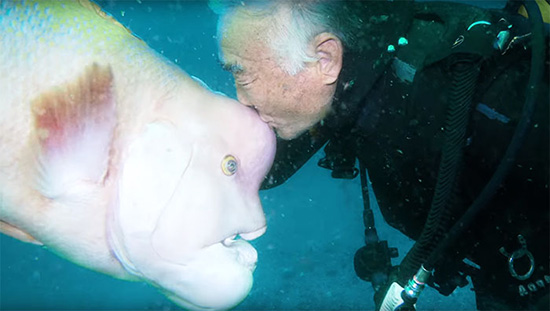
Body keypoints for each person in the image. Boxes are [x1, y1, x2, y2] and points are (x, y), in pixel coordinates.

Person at [209, 0, 549, 309]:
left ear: (324, 58)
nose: (241, 99)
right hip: (498, 271)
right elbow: (261, 166)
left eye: (243, 73)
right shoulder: (344, 82)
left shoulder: (473, 91)